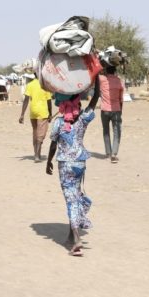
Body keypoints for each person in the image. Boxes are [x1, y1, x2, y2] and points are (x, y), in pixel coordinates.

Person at [45, 77, 100, 257]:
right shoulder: (82, 120)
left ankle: (76, 240)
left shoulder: (59, 123)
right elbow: (95, 98)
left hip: (65, 165)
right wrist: (97, 79)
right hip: (80, 163)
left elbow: (53, 144)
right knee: (76, 195)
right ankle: (71, 234)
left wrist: (49, 161)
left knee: (71, 200)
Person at [18, 74, 52, 162]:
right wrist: (50, 113)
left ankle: (37, 153)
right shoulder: (45, 85)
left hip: (33, 112)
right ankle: (37, 156)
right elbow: (49, 101)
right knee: (41, 134)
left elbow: (26, 100)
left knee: (35, 132)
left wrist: (22, 114)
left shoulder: (30, 84)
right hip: (42, 112)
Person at [99, 66, 124, 163]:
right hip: (116, 109)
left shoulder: (102, 79)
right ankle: (114, 154)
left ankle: (108, 152)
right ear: (115, 71)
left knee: (106, 131)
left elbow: (95, 73)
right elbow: (121, 98)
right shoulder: (119, 81)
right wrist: (120, 110)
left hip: (104, 109)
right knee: (117, 131)